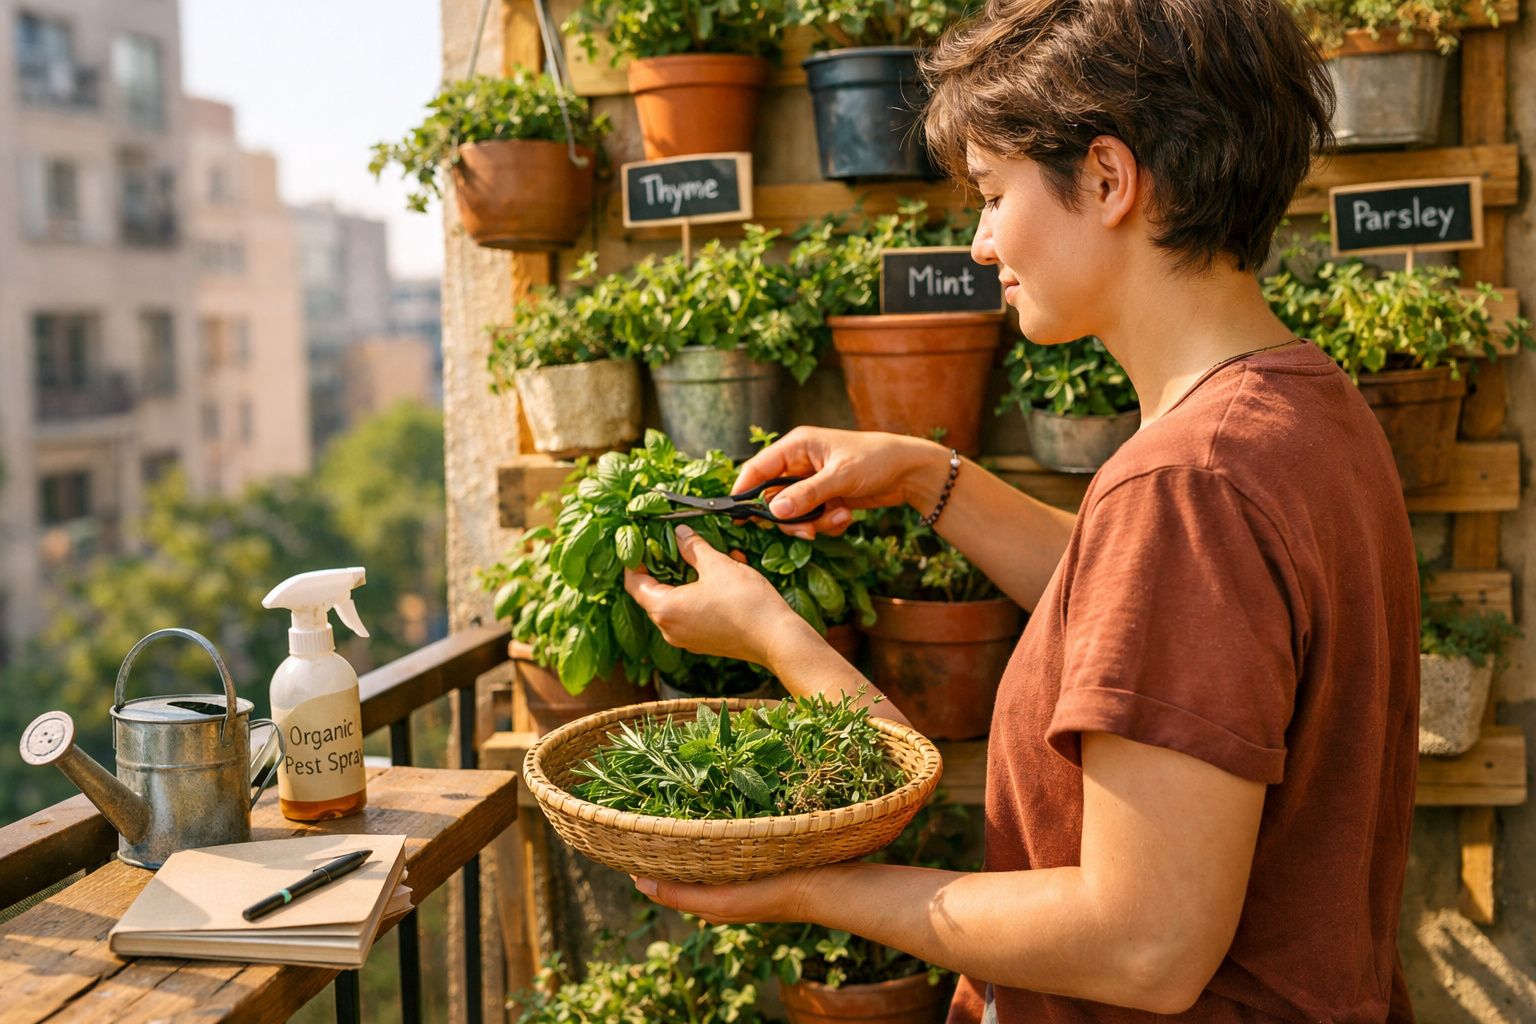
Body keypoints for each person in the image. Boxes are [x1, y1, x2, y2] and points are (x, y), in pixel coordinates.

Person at [622, 1, 1420, 1020]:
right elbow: (1168, 632)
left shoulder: (1184, 486)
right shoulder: (1299, 408)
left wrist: (815, 884)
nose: (982, 242)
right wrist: (923, 475)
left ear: (1107, 179)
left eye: (994, 195)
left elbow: (1145, 945)